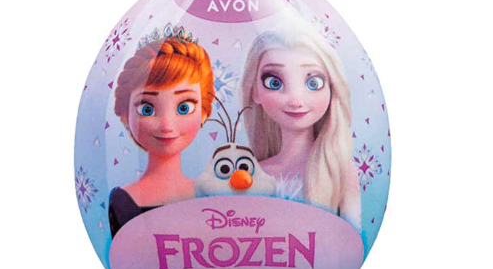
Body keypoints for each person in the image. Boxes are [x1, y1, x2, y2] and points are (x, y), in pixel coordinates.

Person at [239, 21, 361, 230]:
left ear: (332, 88)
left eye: (313, 83)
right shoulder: (252, 174)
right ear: (254, 92)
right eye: (274, 83)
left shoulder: (339, 172)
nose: (295, 100)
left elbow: (354, 239)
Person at [109, 33, 214, 237]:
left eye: (184, 108)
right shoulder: (123, 200)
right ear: (124, 115)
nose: (167, 125)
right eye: (147, 109)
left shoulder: (208, 195)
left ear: (203, 112)